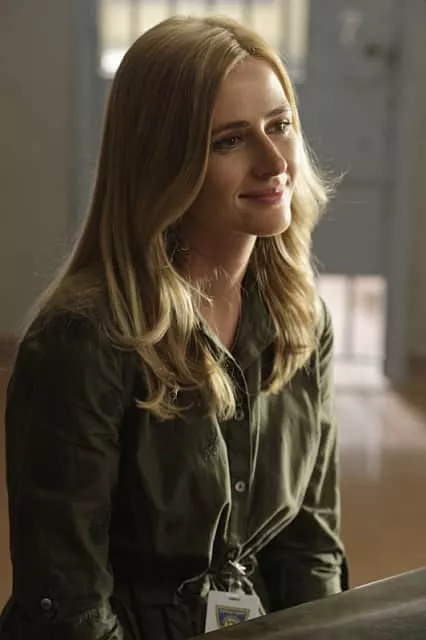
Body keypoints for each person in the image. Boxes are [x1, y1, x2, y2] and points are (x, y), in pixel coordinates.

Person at [0, 14, 346, 640]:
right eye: (230, 141)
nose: (275, 162)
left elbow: (308, 547)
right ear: (164, 161)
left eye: (280, 125)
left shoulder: (301, 316)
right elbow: (70, 607)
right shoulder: (82, 339)